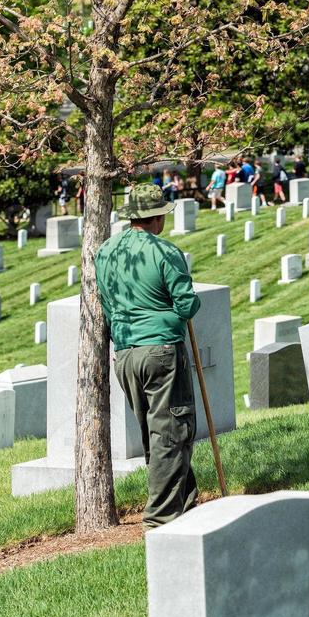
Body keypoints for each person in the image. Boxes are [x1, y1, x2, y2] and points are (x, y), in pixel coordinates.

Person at [94, 184, 201, 529]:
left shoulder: (106, 251)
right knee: (172, 432)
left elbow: (107, 304)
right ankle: (161, 520)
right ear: (156, 217)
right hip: (162, 352)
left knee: (156, 433)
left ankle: (186, 501)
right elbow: (186, 304)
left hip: (125, 353)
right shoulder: (165, 252)